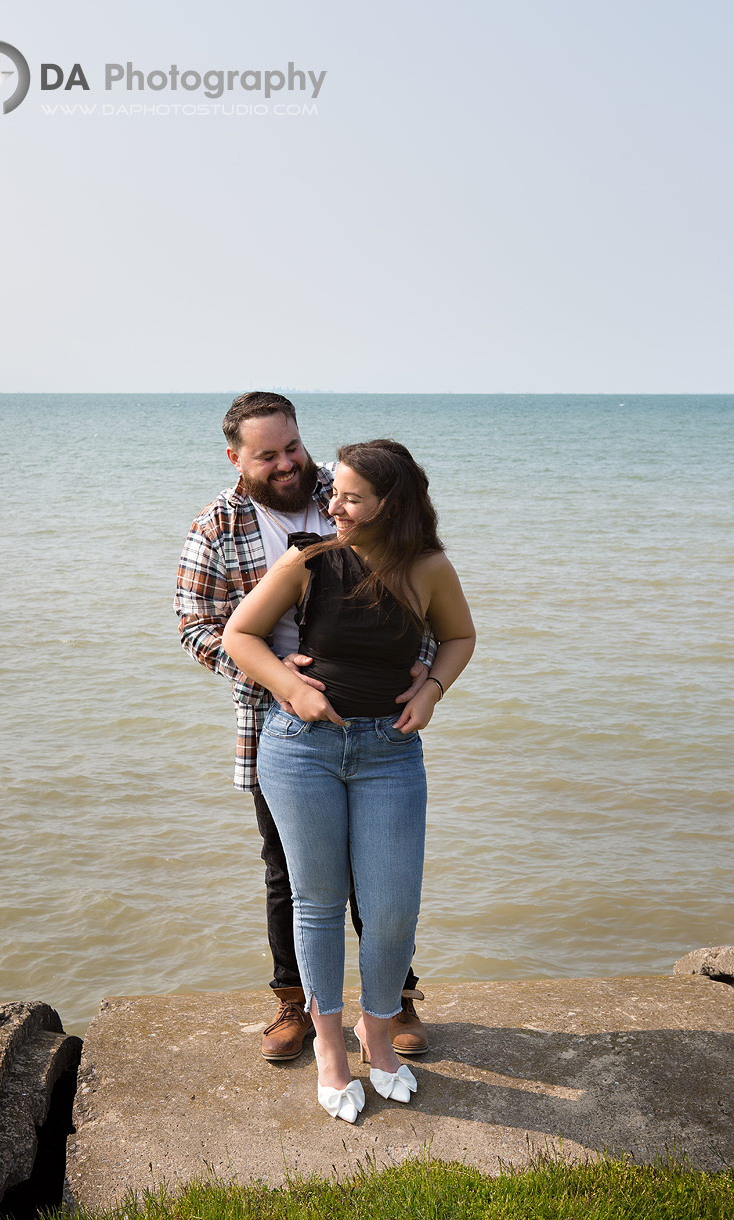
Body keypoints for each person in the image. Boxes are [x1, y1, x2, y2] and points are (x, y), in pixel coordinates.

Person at [174, 394, 437, 1061]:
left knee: (381, 876)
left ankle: (393, 997)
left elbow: (421, 585)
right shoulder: (217, 525)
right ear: (236, 458)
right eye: (268, 455)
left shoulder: (345, 492)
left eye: (292, 446)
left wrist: (422, 673)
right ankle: (294, 1004)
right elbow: (197, 626)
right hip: (275, 723)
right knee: (289, 871)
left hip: (375, 718)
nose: (288, 464)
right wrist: (276, 678)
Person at [222, 439, 475, 1122]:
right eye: (334, 493)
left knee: (391, 909)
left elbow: (458, 638)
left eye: (351, 496)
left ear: (389, 505)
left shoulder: (427, 568)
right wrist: (288, 687)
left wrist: (432, 693)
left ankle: (379, 1036)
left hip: (389, 753)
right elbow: (238, 635)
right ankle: (331, 1051)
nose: (331, 502)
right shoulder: (308, 559)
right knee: (319, 902)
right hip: (300, 748)